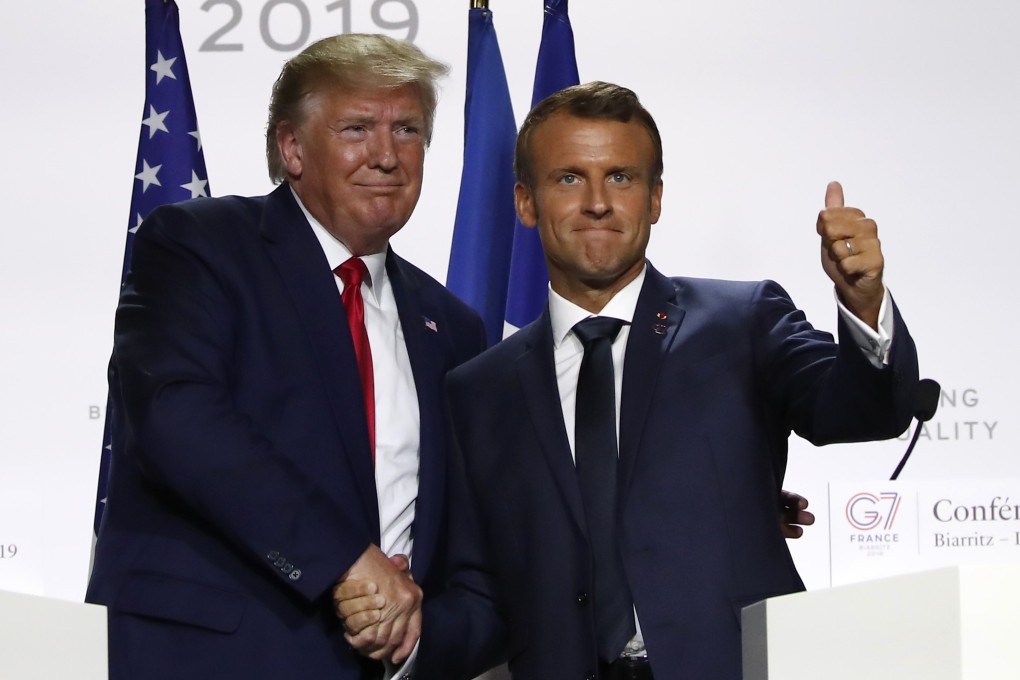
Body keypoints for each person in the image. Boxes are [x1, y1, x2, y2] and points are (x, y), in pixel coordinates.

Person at [339, 81, 918, 680]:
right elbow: (484, 593)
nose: (597, 202)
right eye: (568, 178)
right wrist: (409, 639)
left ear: (655, 198)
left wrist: (862, 304)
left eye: (621, 177)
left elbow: (859, 411)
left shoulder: (743, 322)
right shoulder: (478, 391)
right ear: (525, 202)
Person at [85, 34, 487, 680]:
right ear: (291, 148)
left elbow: (471, 553)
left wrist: (415, 637)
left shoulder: (455, 330)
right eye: (357, 128)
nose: (386, 155)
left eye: (408, 130)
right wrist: (344, 561)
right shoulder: (197, 247)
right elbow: (177, 418)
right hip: (208, 661)